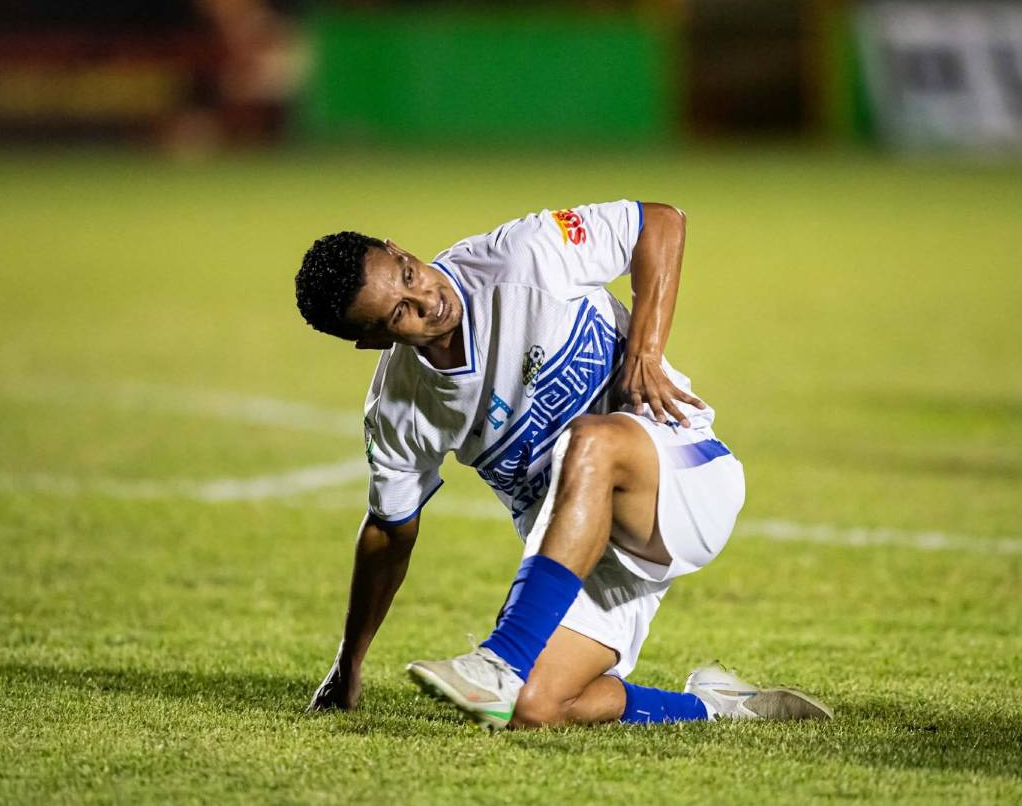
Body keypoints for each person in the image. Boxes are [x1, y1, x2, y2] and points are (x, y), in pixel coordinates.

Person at [297, 201, 832, 729]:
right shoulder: (400, 408)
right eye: (399, 313)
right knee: (532, 705)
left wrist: (645, 351)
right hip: (583, 552)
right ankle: (719, 707)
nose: (427, 300)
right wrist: (349, 664)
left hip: (681, 479)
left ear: (397, 250)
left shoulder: (522, 256)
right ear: (372, 341)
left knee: (589, 442)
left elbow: (659, 223)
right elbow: (389, 535)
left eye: (409, 274)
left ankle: (500, 660)